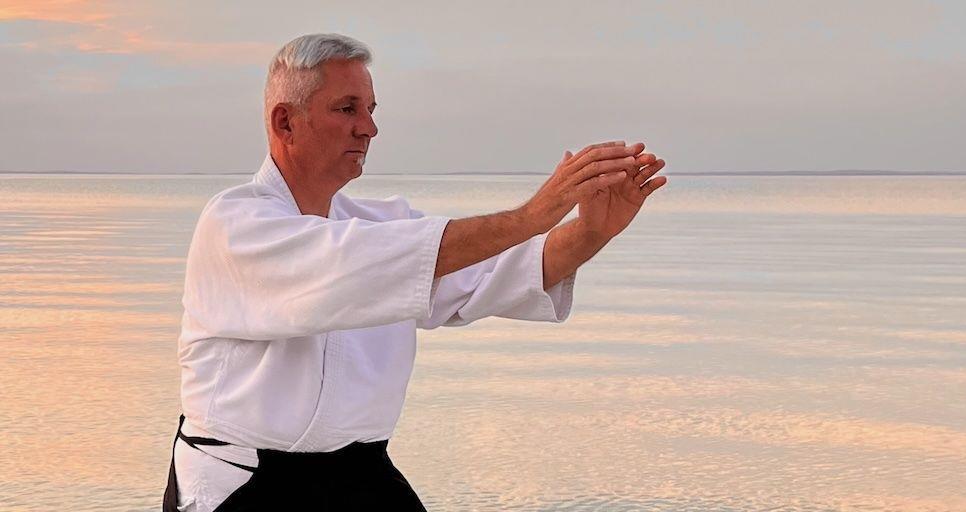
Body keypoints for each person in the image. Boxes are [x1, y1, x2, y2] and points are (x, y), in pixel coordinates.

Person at [162, 33, 667, 512]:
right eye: (347, 109)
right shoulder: (235, 224)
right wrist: (531, 215)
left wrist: (592, 231)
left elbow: (496, 274)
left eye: (371, 110)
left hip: (361, 475)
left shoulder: (384, 225)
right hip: (244, 480)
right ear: (285, 122)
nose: (369, 128)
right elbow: (349, 265)